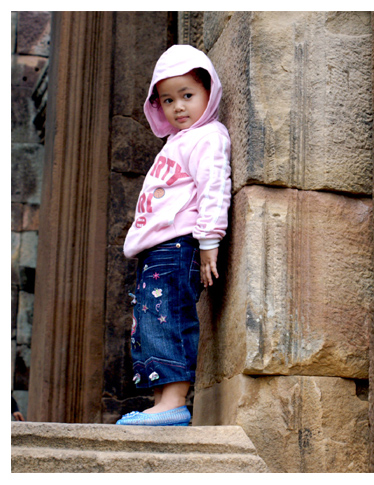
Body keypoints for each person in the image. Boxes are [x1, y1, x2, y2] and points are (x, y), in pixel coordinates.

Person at [116, 45, 231, 426]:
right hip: (158, 250)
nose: (178, 107)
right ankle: (162, 402)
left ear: (209, 92)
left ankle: (175, 402)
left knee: (169, 317)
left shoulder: (208, 136)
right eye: (168, 100)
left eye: (187, 95)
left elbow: (214, 188)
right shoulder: (177, 142)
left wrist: (209, 242)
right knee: (150, 322)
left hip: (179, 247)